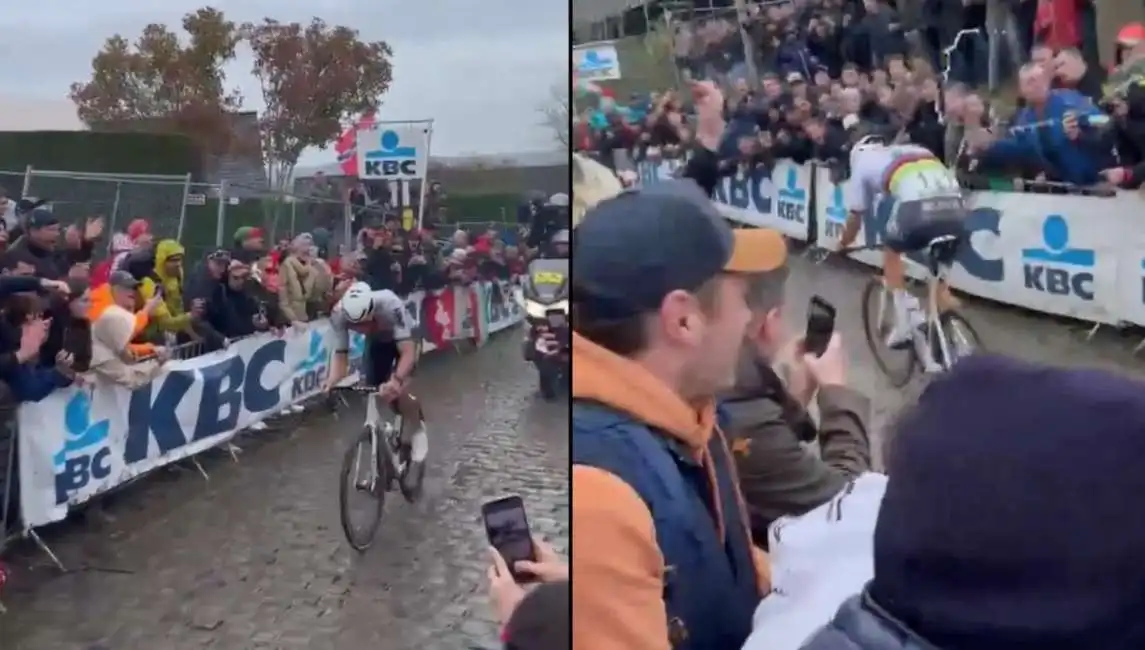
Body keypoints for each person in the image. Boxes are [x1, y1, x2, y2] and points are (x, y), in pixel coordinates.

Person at [572, 179, 785, 650]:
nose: (750, 318)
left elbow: (729, 570)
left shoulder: (691, 414)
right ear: (683, 320)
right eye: (741, 298)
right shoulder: (598, 493)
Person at [721, 266, 871, 545]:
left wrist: (792, 395)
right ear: (771, 322)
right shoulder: (749, 422)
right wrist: (835, 393)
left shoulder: (724, 388)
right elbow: (847, 501)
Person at [835, 132, 965, 362]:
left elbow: (856, 217)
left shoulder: (862, 164)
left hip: (917, 208)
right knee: (939, 275)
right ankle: (957, 339)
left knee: (892, 250)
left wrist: (842, 244)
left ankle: (904, 323)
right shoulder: (915, 148)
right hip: (956, 208)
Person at [323, 282, 428, 479]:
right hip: (379, 341)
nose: (362, 329)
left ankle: (415, 428)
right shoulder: (339, 315)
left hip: (406, 338)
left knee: (396, 391)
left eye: (367, 323)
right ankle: (381, 439)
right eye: (357, 326)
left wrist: (396, 380)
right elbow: (341, 356)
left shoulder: (389, 303)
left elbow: (407, 353)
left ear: (373, 310)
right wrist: (332, 380)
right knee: (372, 388)